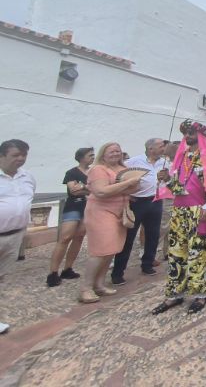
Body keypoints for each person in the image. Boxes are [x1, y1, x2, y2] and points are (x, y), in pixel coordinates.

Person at [152, 120, 206, 315]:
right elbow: (180, 189)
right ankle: (175, 293)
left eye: (191, 132)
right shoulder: (182, 156)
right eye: (185, 132)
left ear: (200, 134)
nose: (187, 135)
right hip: (179, 211)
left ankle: (201, 294)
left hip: (199, 211)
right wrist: (167, 180)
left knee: (198, 253)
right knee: (176, 252)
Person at [79, 142, 142, 303]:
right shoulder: (98, 169)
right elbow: (101, 191)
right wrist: (126, 184)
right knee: (100, 251)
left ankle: (99, 284)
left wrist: (129, 185)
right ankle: (86, 288)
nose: (115, 154)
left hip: (119, 212)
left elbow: (134, 188)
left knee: (111, 250)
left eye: (118, 151)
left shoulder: (123, 168)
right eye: (111, 151)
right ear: (103, 154)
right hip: (100, 213)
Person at [110, 138, 169, 286]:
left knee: (153, 235)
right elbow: (119, 175)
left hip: (155, 200)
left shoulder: (164, 163)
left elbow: (168, 180)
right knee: (128, 237)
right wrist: (126, 193)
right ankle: (118, 272)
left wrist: (166, 178)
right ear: (150, 148)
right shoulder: (134, 161)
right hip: (137, 202)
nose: (163, 148)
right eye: (161, 146)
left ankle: (147, 264)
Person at [0, 139, 36, 334]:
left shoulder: (27, 177)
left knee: (1, 277)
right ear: (2, 156)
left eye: (24, 155)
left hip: (15, 235)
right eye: (16, 155)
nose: (21, 158)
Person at [47, 147, 93, 287]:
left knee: (79, 237)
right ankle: (53, 272)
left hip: (88, 207)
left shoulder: (94, 172)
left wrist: (83, 187)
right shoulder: (72, 172)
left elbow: (97, 189)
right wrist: (88, 189)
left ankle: (67, 269)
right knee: (65, 238)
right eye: (90, 155)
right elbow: (73, 191)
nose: (93, 157)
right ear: (81, 157)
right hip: (73, 206)